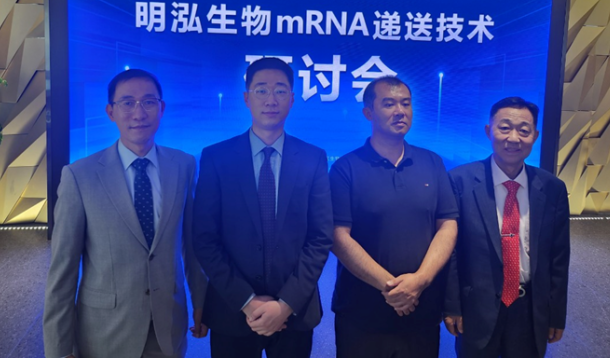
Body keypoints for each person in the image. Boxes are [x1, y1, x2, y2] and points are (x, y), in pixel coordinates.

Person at [43, 69, 207, 358]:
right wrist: (59, 348)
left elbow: (192, 247)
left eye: (149, 102)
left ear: (161, 108)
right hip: (105, 333)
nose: (139, 113)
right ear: (111, 112)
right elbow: (63, 270)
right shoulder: (80, 176)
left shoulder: (183, 166)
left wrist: (202, 303)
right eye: (128, 103)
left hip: (168, 327)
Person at [193, 57, 333, 358]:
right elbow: (204, 238)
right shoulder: (216, 158)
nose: (271, 100)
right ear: (247, 98)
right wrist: (247, 301)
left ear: (292, 99)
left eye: (280, 91)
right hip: (232, 311)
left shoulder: (313, 158)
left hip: (294, 313)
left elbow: (320, 238)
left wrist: (285, 305)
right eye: (261, 90)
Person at [330, 76, 458, 358]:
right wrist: (393, 289)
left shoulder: (432, 163)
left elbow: (447, 225)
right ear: (368, 113)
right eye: (389, 104)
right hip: (361, 313)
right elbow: (338, 238)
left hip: (421, 309)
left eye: (406, 103)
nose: (400, 111)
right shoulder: (345, 168)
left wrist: (420, 281)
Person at [444, 97, 570, 358]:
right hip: (476, 307)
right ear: (489, 131)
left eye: (523, 130)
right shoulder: (459, 181)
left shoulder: (552, 188)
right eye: (504, 128)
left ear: (535, 136)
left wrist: (556, 313)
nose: (513, 138)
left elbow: (559, 258)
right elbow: (451, 251)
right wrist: (452, 305)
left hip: (530, 309)